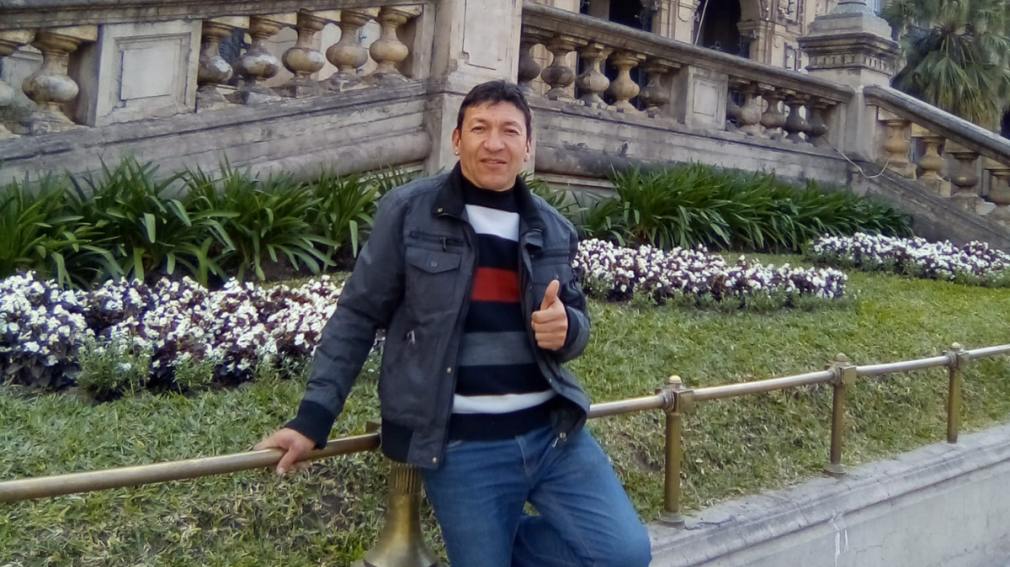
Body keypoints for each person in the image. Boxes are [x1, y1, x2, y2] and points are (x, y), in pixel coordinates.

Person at [255, 80, 652, 567]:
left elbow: (575, 321)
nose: (494, 143)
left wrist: (568, 328)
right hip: (463, 446)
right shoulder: (410, 212)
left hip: (553, 436)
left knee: (624, 554)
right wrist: (313, 419)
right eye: (480, 128)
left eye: (510, 131)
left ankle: (499, 542)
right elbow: (358, 314)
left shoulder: (552, 228)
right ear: (457, 139)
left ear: (528, 146)